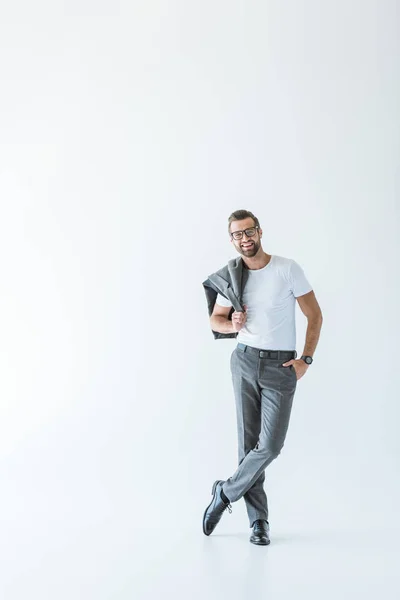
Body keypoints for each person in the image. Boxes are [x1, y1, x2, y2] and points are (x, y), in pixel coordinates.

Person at [202, 209, 323, 545]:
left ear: (259, 231)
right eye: (238, 234)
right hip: (243, 361)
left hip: (281, 367)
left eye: (249, 231)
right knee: (248, 444)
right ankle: (259, 523)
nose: (245, 239)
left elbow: (314, 315)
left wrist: (306, 359)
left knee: (269, 445)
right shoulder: (233, 275)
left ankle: (224, 493)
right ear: (232, 239)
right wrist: (232, 325)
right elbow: (216, 319)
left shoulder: (287, 269)